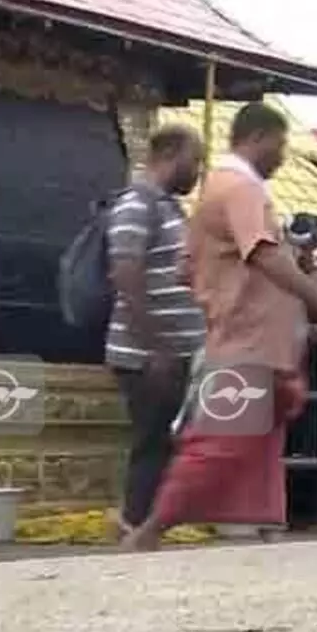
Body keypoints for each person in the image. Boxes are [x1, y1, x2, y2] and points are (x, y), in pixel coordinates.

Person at [121, 102, 317, 550]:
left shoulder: (219, 190)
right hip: (247, 343)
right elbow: (263, 253)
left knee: (259, 442)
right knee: (220, 444)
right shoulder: (239, 187)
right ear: (257, 138)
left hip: (258, 341)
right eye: (280, 145)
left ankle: (259, 529)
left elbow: (185, 268)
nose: (283, 157)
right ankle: (150, 530)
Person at [106, 123, 206, 535]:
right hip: (146, 355)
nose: (198, 171)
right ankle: (134, 524)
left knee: (165, 442)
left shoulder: (169, 208)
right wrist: (155, 346)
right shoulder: (137, 204)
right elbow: (125, 274)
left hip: (171, 353)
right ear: (169, 155)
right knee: (152, 442)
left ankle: (146, 524)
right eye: (194, 160)